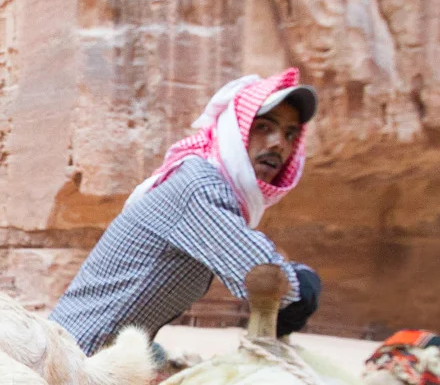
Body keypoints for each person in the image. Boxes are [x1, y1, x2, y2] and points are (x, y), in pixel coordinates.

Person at [49, 68, 322, 355]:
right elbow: (276, 286)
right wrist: (308, 280)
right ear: (235, 130)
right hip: (76, 364)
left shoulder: (214, 189)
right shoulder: (199, 188)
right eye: (265, 127)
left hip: (95, 358)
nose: (279, 143)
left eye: (290, 134)